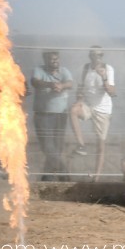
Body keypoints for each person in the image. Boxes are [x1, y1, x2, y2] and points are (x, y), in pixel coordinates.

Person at [70, 46, 116, 178]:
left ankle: (96, 176)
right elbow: (80, 87)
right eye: (94, 55)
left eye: (100, 55)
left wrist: (104, 77)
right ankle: (81, 145)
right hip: (88, 106)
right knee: (73, 110)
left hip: (103, 109)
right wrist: (79, 100)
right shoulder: (85, 68)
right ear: (90, 56)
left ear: (103, 56)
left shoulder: (108, 69)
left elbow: (112, 92)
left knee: (100, 144)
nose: (97, 58)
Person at [30, 50, 74, 181]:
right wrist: (51, 84)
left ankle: (47, 178)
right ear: (45, 60)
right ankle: (64, 174)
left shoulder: (64, 71)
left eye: (56, 59)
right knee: (47, 146)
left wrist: (62, 85)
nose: (55, 61)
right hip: (43, 115)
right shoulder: (39, 70)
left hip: (61, 115)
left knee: (58, 146)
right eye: (51, 59)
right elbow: (35, 82)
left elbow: (70, 83)